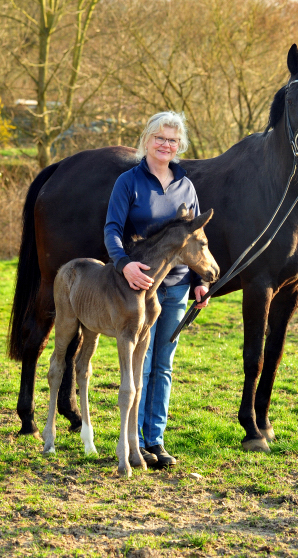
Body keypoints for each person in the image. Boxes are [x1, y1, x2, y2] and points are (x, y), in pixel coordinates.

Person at [104, 111, 210, 468]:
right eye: (160, 138)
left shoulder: (186, 186)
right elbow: (112, 230)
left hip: (177, 287)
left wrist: (199, 283)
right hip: (139, 287)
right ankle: (133, 442)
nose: (166, 145)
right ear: (147, 140)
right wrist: (124, 263)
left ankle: (155, 440)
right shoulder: (129, 182)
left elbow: (194, 238)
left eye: (173, 141)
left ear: (179, 147)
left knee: (163, 365)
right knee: (141, 366)